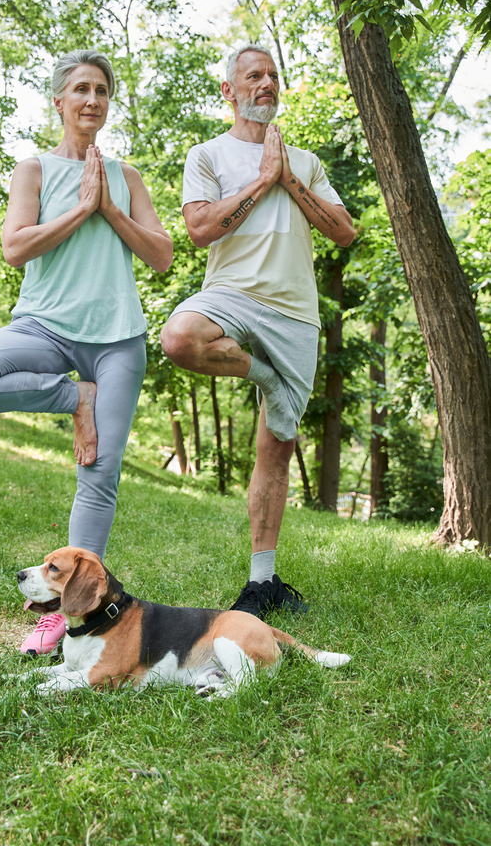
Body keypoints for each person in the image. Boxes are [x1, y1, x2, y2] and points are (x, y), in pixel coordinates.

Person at [0, 49, 173, 653]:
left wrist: (108, 207)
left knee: (99, 472)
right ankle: (75, 396)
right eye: (81, 89)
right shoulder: (33, 170)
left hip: (117, 337)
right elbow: (16, 248)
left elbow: (162, 255)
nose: (92, 99)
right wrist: (80, 209)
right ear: (60, 100)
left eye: (102, 90)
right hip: (44, 329)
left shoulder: (126, 176)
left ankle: (63, 616)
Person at [160, 43, 355, 616]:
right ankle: (266, 375)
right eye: (253, 76)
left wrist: (287, 177)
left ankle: (262, 582)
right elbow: (199, 228)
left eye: (273, 75)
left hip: (296, 313)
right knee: (179, 338)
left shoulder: (308, 162)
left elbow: (344, 231)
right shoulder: (208, 155)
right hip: (232, 295)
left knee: (277, 447)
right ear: (230, 90)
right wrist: (261, 183)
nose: (266, 83)